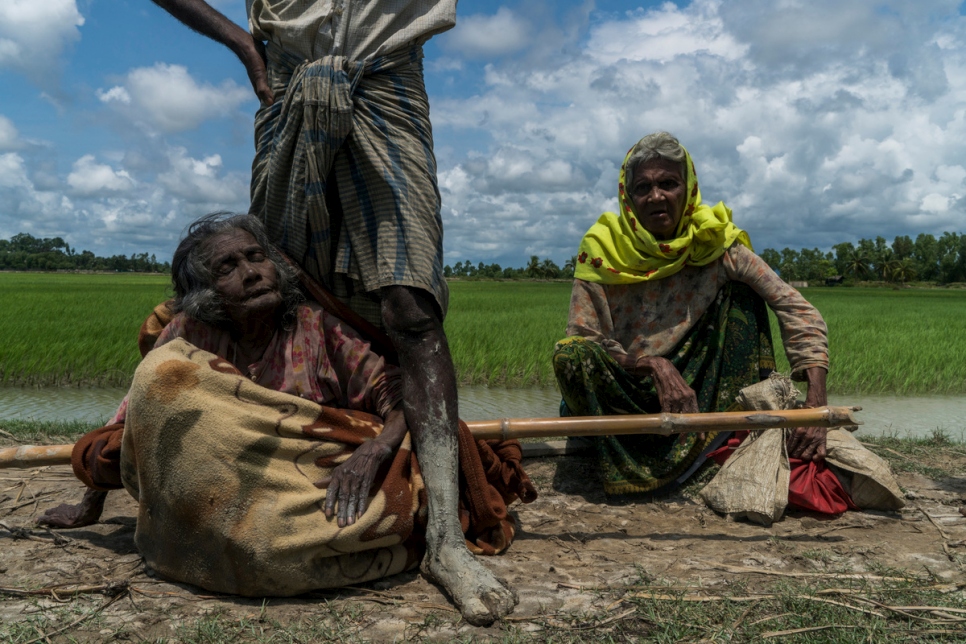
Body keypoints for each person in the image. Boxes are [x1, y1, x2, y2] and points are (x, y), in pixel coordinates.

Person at [144, 0, 518, 624]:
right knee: (291, 282)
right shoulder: (197, 328)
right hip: (287, 75)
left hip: (388, 76)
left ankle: (446, 545)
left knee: (412, 306)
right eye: (226, 271)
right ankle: (291, 464)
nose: (243, 274)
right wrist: (243, 43)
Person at [39, 214, 534, 619]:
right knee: (163, 380)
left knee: (378, 499)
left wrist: (375, 449)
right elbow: (135, 420)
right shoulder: (189, 335)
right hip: (227, 494)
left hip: (310, 484)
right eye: (227, 267)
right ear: (206, 292)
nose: (251, 272)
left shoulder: (319, 330)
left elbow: (403, 401)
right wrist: (91, 502)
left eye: (257, 257)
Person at [553, 131, 836, 501]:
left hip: (697, 392)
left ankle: (722, 433)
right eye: (643, 187)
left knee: (742, 295)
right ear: (628, 197)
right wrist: (653, 365)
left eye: (668, 184)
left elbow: (794, 306)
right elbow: (584, 338)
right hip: (628, 388)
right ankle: (619, 444)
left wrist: (816, 402)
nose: (656, 196)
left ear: (688, 190)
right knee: (570, 354)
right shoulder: (603, 248)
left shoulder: (713, 240)